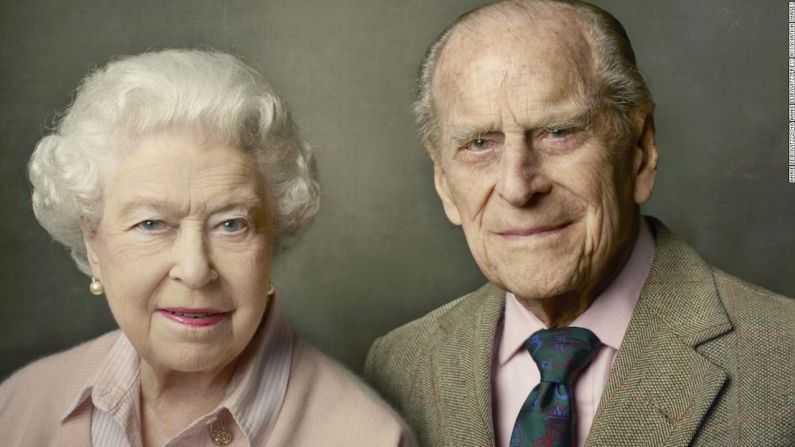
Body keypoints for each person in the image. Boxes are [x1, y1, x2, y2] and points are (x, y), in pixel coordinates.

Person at [364, 1, 795, 446]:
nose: (517, 186)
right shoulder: (398, 366)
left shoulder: (784, 362)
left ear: (640, 151)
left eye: (558, 132)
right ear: (443, 181)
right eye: (478, 143)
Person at [0, 49, 415, 447]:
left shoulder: (371, 439)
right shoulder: (18, 408)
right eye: (152, 224)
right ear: (93, 242)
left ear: (272, 239)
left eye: (231, 225)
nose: (196, 269)